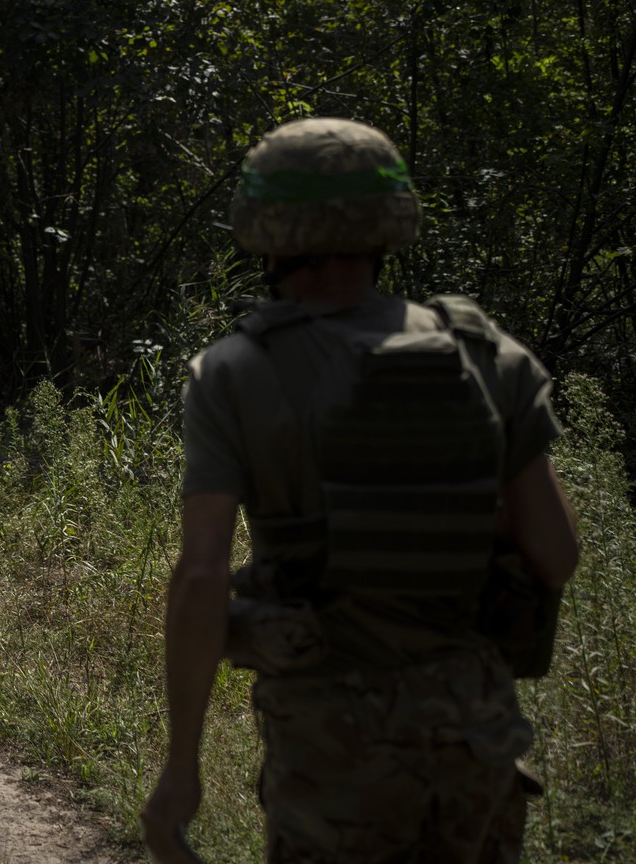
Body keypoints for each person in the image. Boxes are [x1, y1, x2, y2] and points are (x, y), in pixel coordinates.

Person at [139, 118, 580, 863]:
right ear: (390, 222)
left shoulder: (236, 372)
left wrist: (183, 766)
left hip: (330, 739)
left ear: (267, 228)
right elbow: (557, 556)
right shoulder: (486, 354)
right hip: (477, 732)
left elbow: (203, 575)